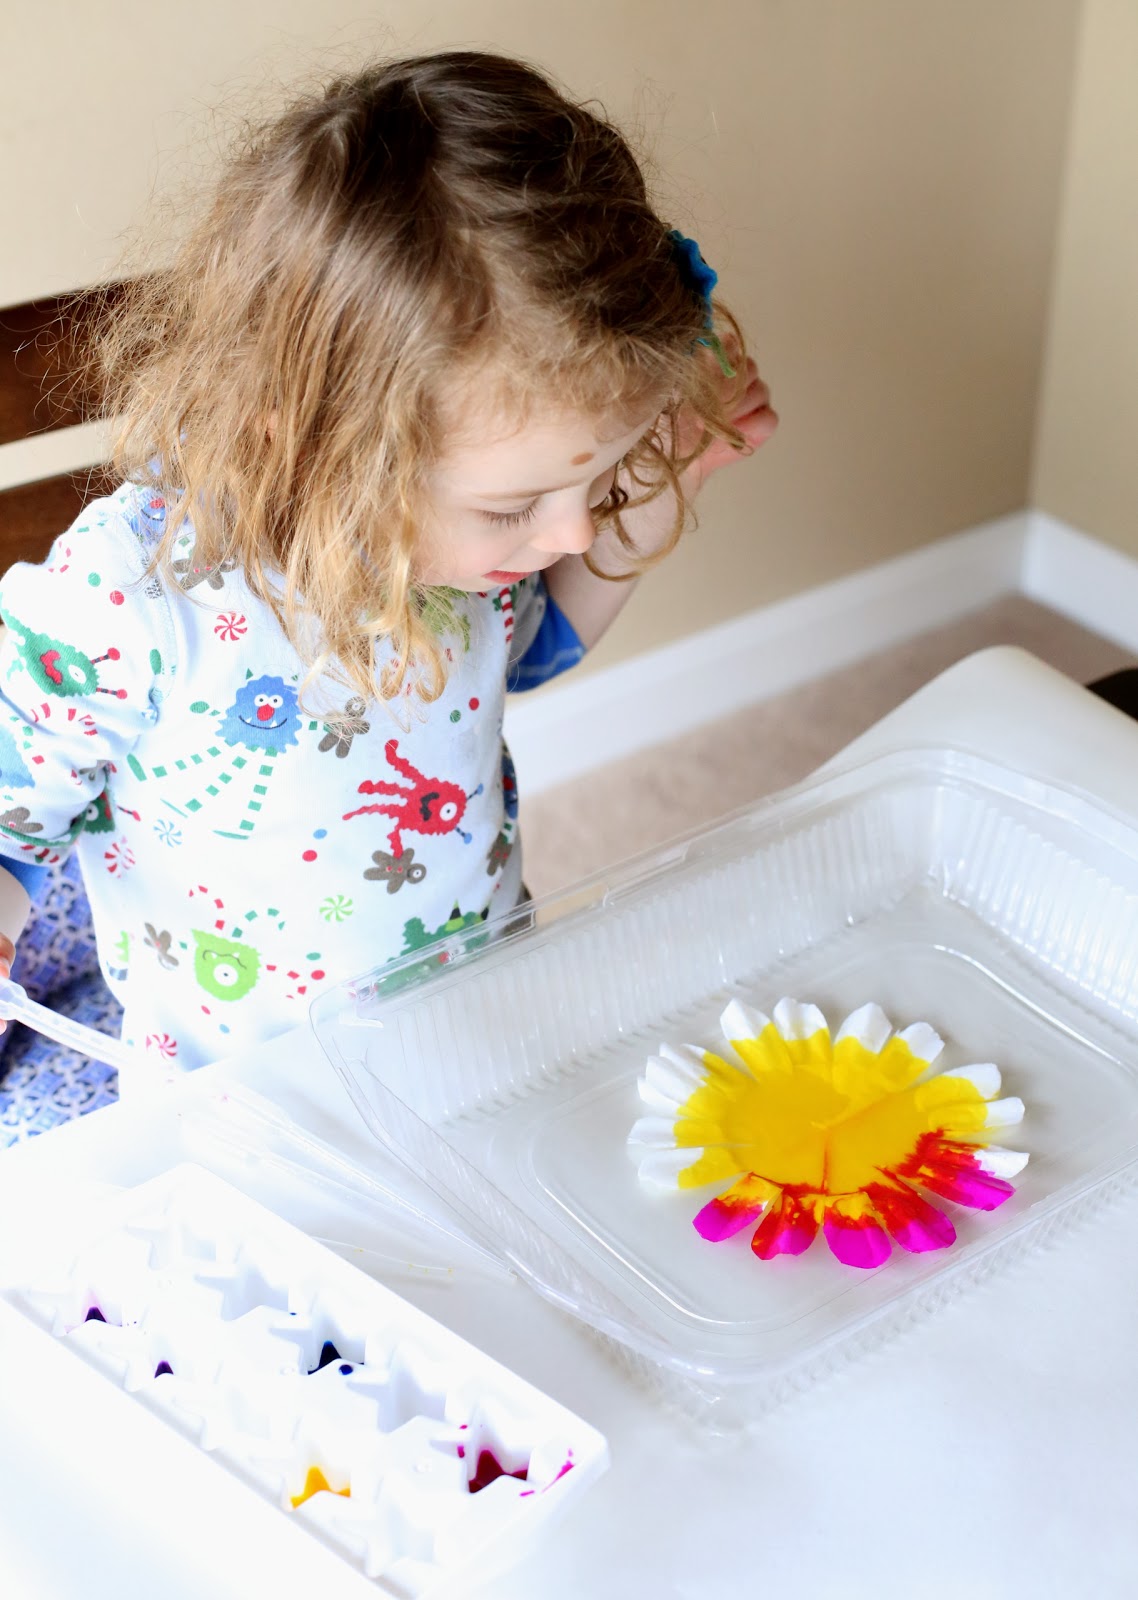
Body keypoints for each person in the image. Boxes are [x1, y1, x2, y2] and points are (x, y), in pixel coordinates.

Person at [0, 50, 776, 1111]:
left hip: (475, 1022)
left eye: (596, 481)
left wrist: (670, 473)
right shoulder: (139, 591)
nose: (569, 530)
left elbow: (539, 647)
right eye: (513, 507)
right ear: (318, 443)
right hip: (243, 1101)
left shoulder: (459, 552)